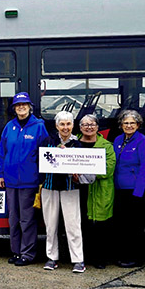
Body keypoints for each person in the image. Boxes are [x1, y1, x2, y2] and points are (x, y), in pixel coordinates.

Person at [0, 92, 50, 267]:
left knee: (27, 220)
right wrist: (0, 173)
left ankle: (28, 254)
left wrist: (41, 178)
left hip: (29, 181)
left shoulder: (39, 126)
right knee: (13, 219)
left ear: (29, 107)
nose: (21, 107)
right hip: (11, 181)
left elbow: (45, 153)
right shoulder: (9, 127)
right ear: (14, 108)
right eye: (18, 105)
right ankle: (16, 251)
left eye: (24, 105)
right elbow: (1, 152)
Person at [40, 111, 85, 273]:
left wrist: (77, 174)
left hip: (70, 188)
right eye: (62, 124)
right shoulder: (48, 141)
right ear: (56, 126)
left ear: (73, 125)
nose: (65, 127)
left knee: (73, 225)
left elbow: (83, 167)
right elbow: (40, 161)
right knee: (50, 225)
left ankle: (78, 260)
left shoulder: (78, 144)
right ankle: (52, 258)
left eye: (68, 124)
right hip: (49, 187)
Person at [112, 110, 145, 268]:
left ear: (138, 125)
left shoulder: (143, 141)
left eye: (132, 123)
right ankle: (123, 255)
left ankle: (135, 258)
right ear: (121, 125)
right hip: (119, 189)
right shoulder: (118, 140)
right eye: (126, 123)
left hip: (136, 190)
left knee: (135, 225)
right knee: (122, 225)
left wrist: (139, 192)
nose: (129, 126)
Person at [77, 114, 115, 269]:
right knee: (81, 224)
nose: (89, 127)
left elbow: (109, 168)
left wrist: (85, 172)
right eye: (85, 125)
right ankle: (81, 257)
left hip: (99, 189)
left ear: (98, 127)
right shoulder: (73, 143)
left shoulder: (106, 146)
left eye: (92, 124)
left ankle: (100, 258)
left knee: (100, 226)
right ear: (80, 128)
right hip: (78, 189)